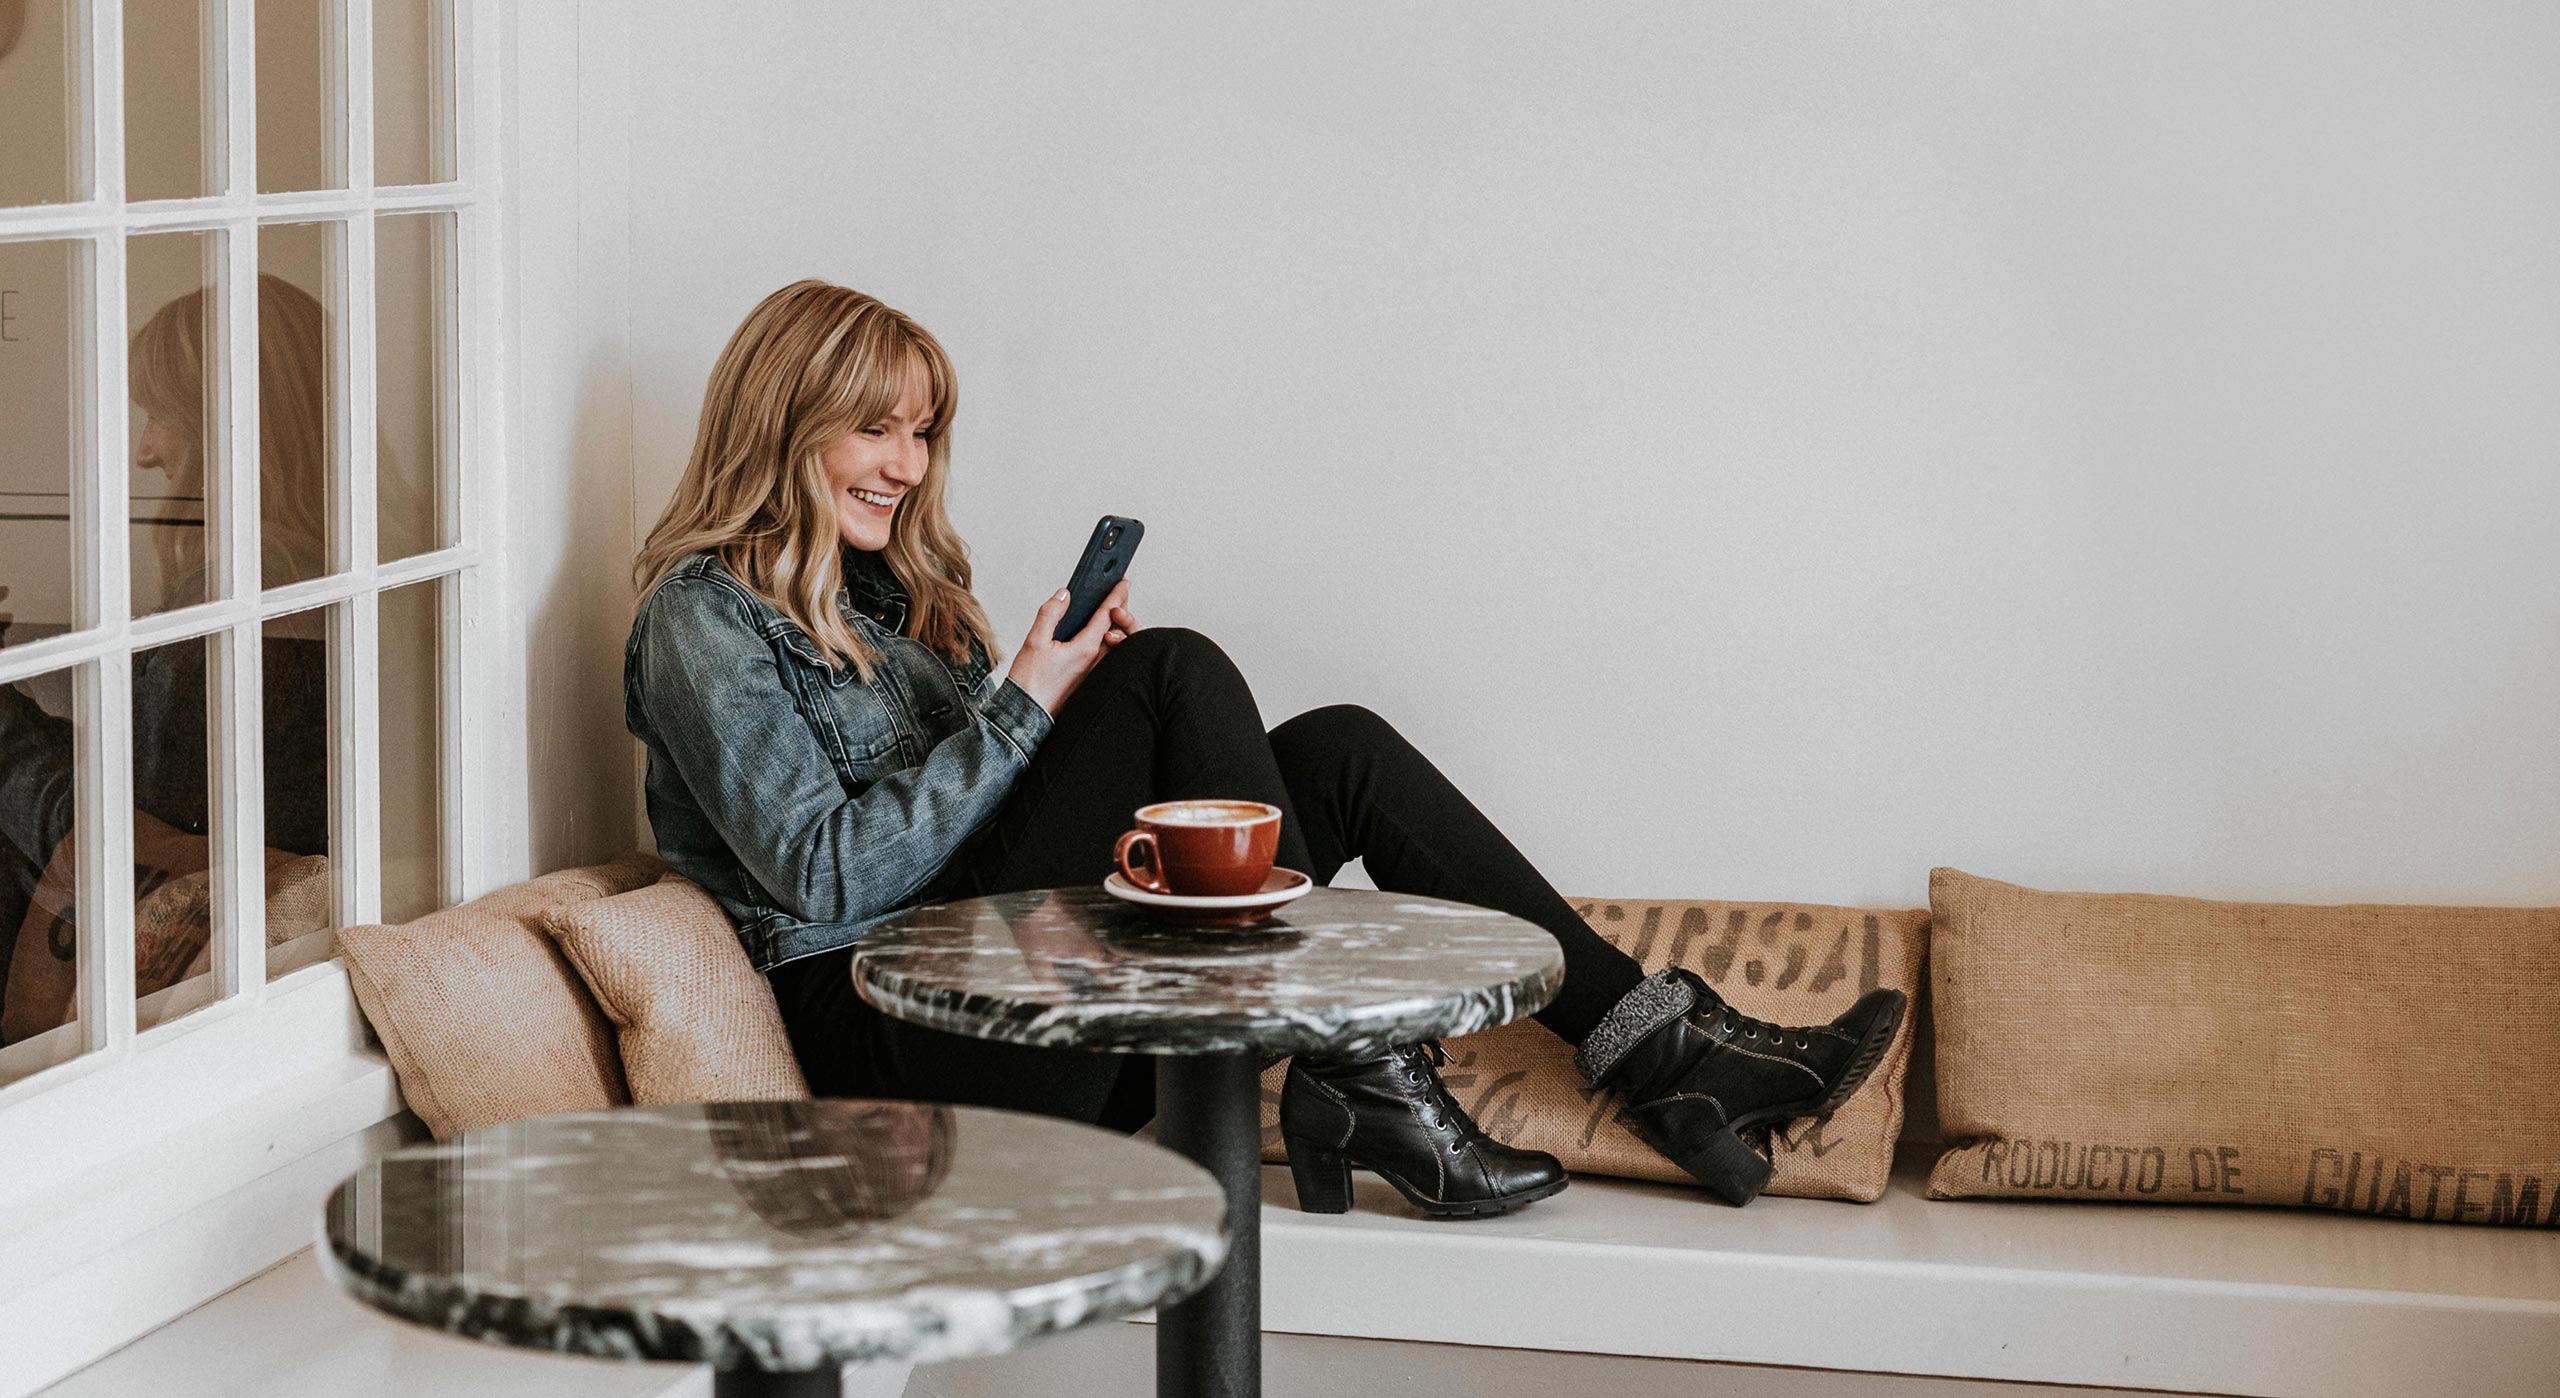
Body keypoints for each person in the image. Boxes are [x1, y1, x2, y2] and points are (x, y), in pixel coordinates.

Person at [624, 280, 1905, 1213]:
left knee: (1337, 751)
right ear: (784, 428)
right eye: (877, 430)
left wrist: (1057, 712)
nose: (907, 464)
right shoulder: (701, 617)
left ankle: (1662, 1052)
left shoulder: (900, 606)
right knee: (1167, 667)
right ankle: (1374, 1079)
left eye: (923, 433)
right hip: (911, 1051)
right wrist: (1029, 700)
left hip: (1032, 1009)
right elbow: (829, 877)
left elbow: (985, 835)